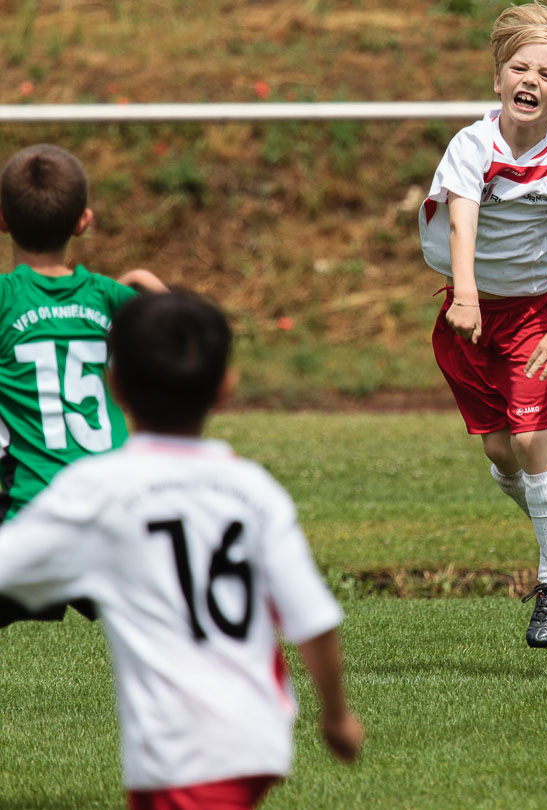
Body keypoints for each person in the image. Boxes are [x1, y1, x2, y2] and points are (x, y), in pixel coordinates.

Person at [0, 291, 363, 809]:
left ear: (114, 385)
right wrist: (336, 716)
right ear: (226, 388)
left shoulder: (99, 489)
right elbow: (313, 619)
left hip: (184, 747)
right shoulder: (251, 487)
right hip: (254, 732)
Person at [419, 0, 547, 649]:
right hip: (466, 318)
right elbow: (462, 216)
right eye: (519, 67)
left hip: (531, 318)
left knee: (531, 443)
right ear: (498, 78)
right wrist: (464, 295)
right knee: (501, 454)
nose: (530, 80)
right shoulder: (473, 144)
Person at [0, 143, 166, 626]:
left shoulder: (6, 299)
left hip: (31, 517)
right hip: (110, 517)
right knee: (161, 624)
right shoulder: (108, 297)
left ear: (4, 220)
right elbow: (188, 335)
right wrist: (144, 282)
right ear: (84, 221)